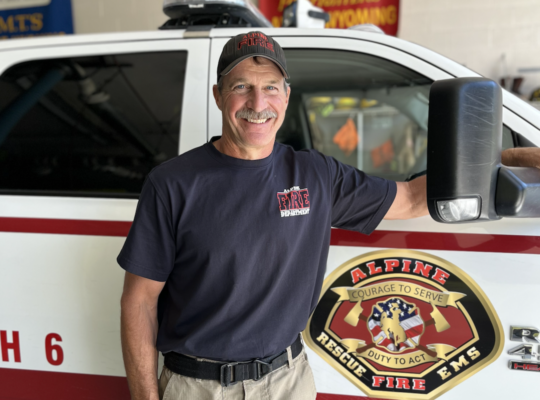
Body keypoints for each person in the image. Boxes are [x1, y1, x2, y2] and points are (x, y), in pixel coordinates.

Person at [117, 31, 539, 400]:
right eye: (241, 86)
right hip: (197, 388)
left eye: (270, 87)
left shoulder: (315, 175)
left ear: (286, 96)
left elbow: (411, 197)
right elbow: (139, 301)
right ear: (218, 95)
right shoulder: (172, 183)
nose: (258, 103)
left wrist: (506, 158)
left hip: (287, 383)